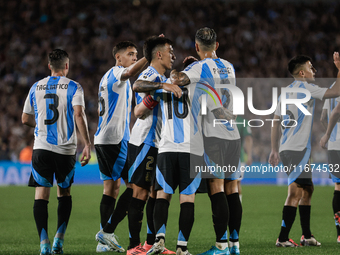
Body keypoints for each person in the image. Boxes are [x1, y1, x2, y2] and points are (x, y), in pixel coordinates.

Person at [170, 27, 242, 255]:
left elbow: (179, 80)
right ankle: (234, 245)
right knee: (232, 188)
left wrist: (179, 71)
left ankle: (220, 245)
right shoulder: (229, 66)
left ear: (197, 46)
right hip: (233, 134)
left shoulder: (198, 67)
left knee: (216, 187)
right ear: (217, 46)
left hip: (214, 137)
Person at [22, 49, 92, 255]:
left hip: (42, 148)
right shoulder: (74, 87)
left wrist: (40, 126)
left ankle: (43, 244)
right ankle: (58, 242)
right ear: (67, 66)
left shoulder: (36, 86)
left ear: (49, 66)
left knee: (41, 195)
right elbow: (78, 114)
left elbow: (25, 119)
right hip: (65, 150)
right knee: (64, 193)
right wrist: (87, 143)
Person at [269, 53, 340, 247]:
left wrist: (275, 149)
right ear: (302, 72)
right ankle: (282, 237)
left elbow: (275, 122)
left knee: (308, 189)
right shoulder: (306, 87)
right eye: (311, 67)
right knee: (296, 192)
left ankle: (306, 235)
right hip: (298, 149)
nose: (314, 71)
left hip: (288, 147)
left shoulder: (285, 92)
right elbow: (335, 92)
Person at [93, 41, 149, 252]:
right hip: (115, 140)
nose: (135, 57)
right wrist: (149, 55)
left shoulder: (108, 76)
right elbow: (130, 72)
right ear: (118, 57)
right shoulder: (117, 73)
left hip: (106, 139)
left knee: (112, 188)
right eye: (131, 54)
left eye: (136, 54)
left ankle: (103, 242)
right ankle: (107, 231)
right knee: (135, 186)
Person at [126, 36, 179, 255]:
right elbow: (137, 86)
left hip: (159, 142)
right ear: (159, 54)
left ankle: (151, 244)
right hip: (144, 141)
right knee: (139, 193)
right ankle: (132, 246)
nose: (173, 55)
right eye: (170, 51)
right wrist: (162, 85)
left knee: (156, 194)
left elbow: (141, 108)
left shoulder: (163, 77)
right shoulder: (151, 75)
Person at [319, 84, 340, 243]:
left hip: (334, 146)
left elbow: (322, 117)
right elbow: (337, 111)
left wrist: (329, 134)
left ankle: (339, 233)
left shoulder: (332, 87)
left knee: (338, 187)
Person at [235, 116, 253, 202]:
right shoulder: (242, 121)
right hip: (239, 157)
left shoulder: (221, 119)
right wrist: (249, 155)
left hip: (223, 158)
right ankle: (237, 209)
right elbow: (248, 138)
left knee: (223, 185)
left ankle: (227, 210)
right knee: (236, 183)